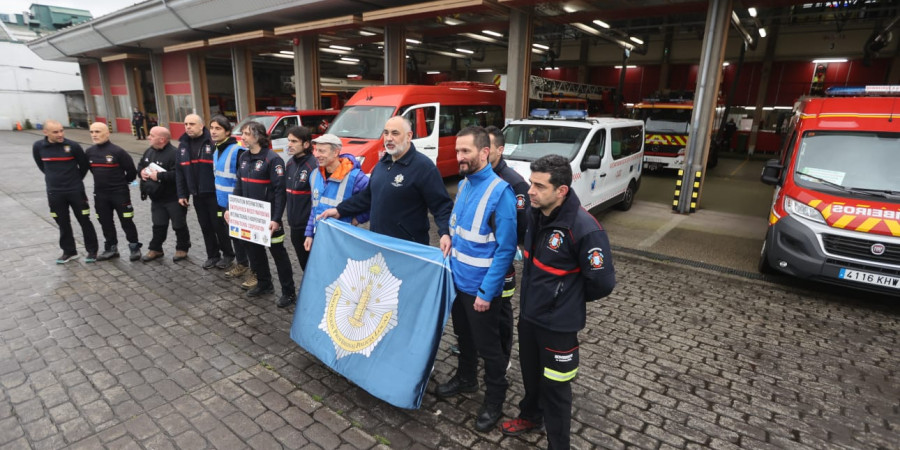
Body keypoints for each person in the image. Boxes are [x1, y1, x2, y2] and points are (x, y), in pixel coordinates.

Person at [500, 154, 616, 449]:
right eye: (531, 183)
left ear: (561, 190)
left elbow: (602, 282)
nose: (531, 191)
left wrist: (564, 299)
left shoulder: (584, 228)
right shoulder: (536, 214)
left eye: (539, 186)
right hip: (529, 317)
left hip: (558, 327)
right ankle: (530, 415)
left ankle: (558, 444)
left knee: (556, 388)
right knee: (531, 375)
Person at [437, 126, 517, 433]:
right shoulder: (465, 184)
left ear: (485, 152)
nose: (460, 157)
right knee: (464, 338)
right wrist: (446, 236)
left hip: (481, 291)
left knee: (490, 348)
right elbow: (459, 229)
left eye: (466, 151)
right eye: (457, 151)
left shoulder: (501, 193)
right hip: (458, 282)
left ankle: (495, 399)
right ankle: (466, 379)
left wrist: (487, 291)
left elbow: (506, 249)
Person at [319, 116, 452, 252]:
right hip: (379, 244)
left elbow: (441, 205)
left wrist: (445, 232)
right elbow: (368, 196)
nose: (388, 138)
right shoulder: (382, 164)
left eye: (395, 133)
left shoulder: (423, 167)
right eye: (386, 133)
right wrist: (339, 210)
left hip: (407, 249)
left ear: (408, 136)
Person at [225, 121, 295, 308]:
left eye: (247, 133)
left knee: (278, 254)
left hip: (268, 218)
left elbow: (280, 192)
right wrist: (231, 208)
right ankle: (264, 284)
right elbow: (239, 185)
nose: (243, 137)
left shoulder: (273, 160)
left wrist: (276, 218)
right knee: (254, 252)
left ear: (258, 136)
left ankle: (288, 292)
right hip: (248, 216)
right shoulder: (244, 157)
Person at [485, 125, 529, 363]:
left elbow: (521, 226)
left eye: (487, 147)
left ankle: (503, 358)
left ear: (500, 150)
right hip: (477, 263)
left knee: (501, 311)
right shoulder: (475, 175)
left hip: (501, 264)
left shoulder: (515, 183)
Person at [32, 119, 99, 263]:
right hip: (55, 192)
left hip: (75, 191)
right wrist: (54, 179)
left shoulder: (73, 146)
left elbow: (84, 166)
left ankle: (92, 251)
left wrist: (75, 180)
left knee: (84, 220)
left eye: (61, 130)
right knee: (62, 222)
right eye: (55, 132)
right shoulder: (38, 147)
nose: (60, 134)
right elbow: (41, 166)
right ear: (46, 133)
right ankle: (69, 251)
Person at [175, 113, 235, 268]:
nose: (188, 127)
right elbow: (180, 171)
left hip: (214, 194)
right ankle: (212, 255)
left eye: (192, 124)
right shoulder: (183, 145)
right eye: (186, 124)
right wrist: (182, 194)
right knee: (205, 226)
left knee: (218, 225)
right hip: (197, 194)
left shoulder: (213, 142)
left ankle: (228, 254)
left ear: (201, 126)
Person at [85, 122, 142, 261]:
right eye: (92, 132)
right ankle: (111, 248)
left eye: (97, 132)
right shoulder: (89, 152)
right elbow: (91, 170)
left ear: (107, 133)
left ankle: (134, 247)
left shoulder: (118, 152)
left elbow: (131, 172)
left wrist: (121, 184)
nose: (94, 135)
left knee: (126, 221)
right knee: (105, 222)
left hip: (119, 193)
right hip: (100, 194)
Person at [209, 115, 254, 287]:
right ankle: (242, 264)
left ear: (227, 132)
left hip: (237, 202)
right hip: (222, 201)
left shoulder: (237, 151)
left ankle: (252, 269)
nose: (213, 131)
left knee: (244, 238)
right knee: (233, 235)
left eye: (218, 128)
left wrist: (237, 201)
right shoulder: (217, 149)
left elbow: (242, 180)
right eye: (212, 127)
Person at [303, 134, 369, 251]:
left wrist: (357, 219)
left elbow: (375, 201)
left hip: (344, 241)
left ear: (336, 152)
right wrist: (309, 234)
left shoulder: (356, 178)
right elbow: (314, 208)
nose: (316, 155)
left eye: (322, 151)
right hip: (321, 238)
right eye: (316, 150)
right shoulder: (314, 175)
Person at [137, 126, 190, 261]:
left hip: (173, 197)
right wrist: (141, 172)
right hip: (156, 197)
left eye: (151, 135)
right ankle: (156, 248)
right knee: (158, 224)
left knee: (179, 225)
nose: (149, 137)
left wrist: (160, 176)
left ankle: (182, 248)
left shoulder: (175, 153)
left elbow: (179, 174)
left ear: (162, 139)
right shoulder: (149, 151)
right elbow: (140, 166)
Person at [284, 126, 317, 271]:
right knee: (304, 264)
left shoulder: (314, 165)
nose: (289, 144)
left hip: (308, 227)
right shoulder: (290, 163)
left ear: (306, 144)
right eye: (289, 140)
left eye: (294, 141)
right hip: (294, 225)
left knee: (313, 265)